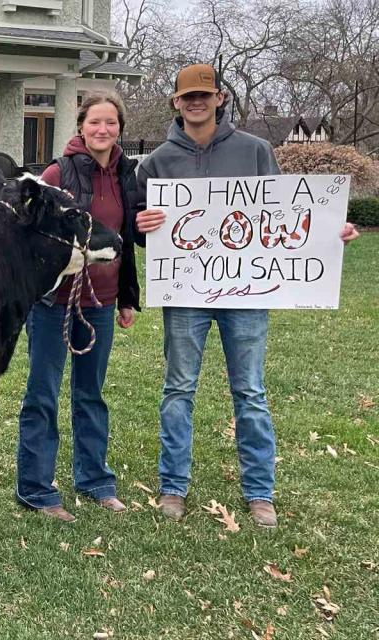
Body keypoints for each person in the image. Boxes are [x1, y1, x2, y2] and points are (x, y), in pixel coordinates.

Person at [134, 64, 360, 528]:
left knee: (250, 391)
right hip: (186, 293)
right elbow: (144, 232)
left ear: (220, 98)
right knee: (178, 389)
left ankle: (260, 493)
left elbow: (286, 214)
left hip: (247, 291)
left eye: (204, 95)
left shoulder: (255, 151)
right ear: (176, 103)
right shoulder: (156, 162)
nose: (195, 102)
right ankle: (173, 487)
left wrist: (328, 232)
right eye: (187, 96)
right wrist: (143, 228)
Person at [15, 91, 142, 522]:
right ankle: (36, 488)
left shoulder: (128, 174)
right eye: (94, 123)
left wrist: (126, 297)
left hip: (102, 304)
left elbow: (127, 238)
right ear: (81, 125)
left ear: (119, 127)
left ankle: (95, 481)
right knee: (43, 395)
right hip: (55, 304)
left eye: (110, 123)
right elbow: (28, 233)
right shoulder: (57, 173)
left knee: (91, 395)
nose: (102, 130)